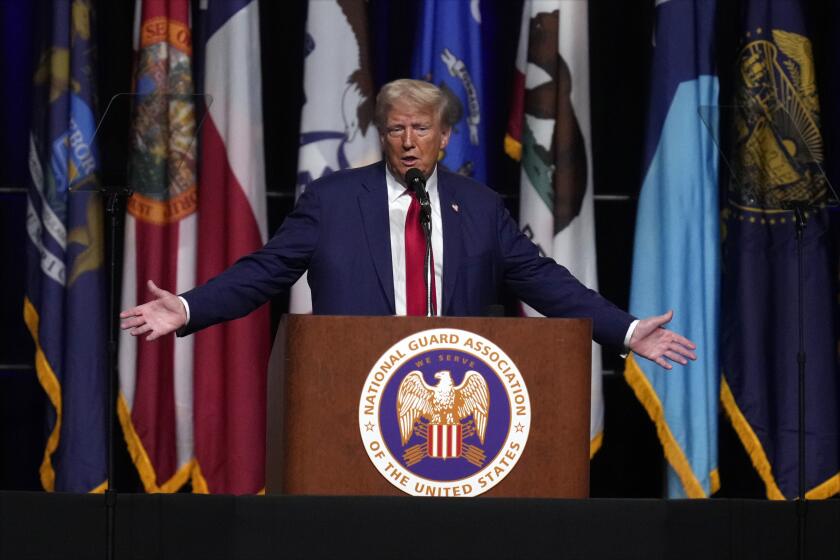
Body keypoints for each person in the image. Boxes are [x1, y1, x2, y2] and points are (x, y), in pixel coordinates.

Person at [121, 79, 696, 370]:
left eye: (421, 129)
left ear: (445, 138)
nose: (408, 141)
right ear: (382, 134)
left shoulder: (478, 206)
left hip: (453, 387)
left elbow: (546, 282)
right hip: (354, 384)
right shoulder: (333, 201)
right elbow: (265, 271)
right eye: (396, 129)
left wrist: (623, 330)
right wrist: (190, 307)